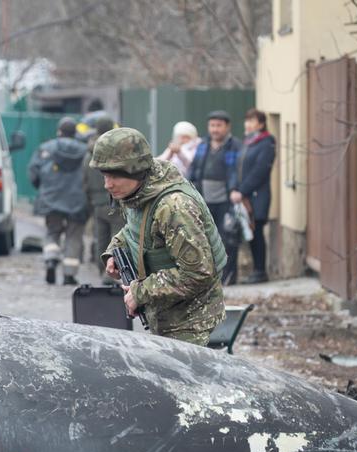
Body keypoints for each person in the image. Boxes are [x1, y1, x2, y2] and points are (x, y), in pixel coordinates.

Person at [92, 127, 227, 346]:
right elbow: (135, 230)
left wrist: (140, 292)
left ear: (135, 170)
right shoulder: (139, 192)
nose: (107, 184)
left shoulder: (174, 207)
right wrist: (114, 251)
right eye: (105, 175)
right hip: (166, 317)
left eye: (115, 175)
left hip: (191, 324)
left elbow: (197, 273)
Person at [28, 117, 88, 285]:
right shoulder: (85, 151)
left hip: (51, 198)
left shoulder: (45, 148)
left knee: (52, 231)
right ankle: (69, 274)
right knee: (74, 236)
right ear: (75, 133)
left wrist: (42, 188)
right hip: (77, 200)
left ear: (59, 131)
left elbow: (33, 172)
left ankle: (51, 259)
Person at [189, 110, 241, 285]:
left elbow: (237, 172)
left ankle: (228, 277)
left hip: (226, 201)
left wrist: (235, 189)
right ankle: (209, 277)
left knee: (227, 240)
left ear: (227, 127)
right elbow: (194, 169)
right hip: (204, 200)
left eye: (219, 125)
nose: (215, 129)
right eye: (212, 125)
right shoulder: (203, 145)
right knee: (204, 239)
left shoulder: (235, 146)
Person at [231, 109, 276, 284]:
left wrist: (242, 191)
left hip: (257, 196)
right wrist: (235, 188)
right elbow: (238, 168)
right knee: (249, 233)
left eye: (252, 121)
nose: (247, 124)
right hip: (243, 196)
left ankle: (260, 271)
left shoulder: (267, 142)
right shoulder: (248, 142)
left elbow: (260, 171)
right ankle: (256, 270)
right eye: (246, 120)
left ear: (262, 124)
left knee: (256, 233)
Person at [83, 115, 124, 282]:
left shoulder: (89, 154)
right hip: (115, 200)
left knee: (101, 237)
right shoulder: (115, 151)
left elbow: (84, 180)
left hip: (96, 202)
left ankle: (102, 271)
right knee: (117, 236)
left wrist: (89, 200)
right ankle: (115, 273)